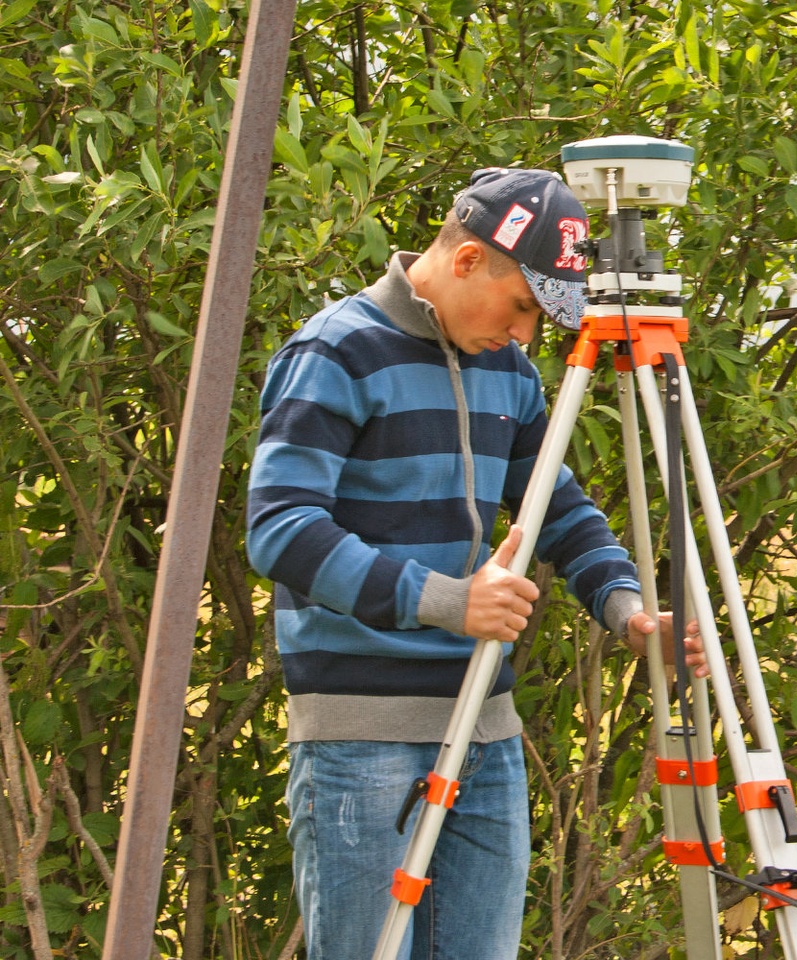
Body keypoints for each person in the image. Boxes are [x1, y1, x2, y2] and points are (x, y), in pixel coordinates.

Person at [246, 166, 707, 959]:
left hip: (484, 732)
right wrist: (447, 601)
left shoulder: (508, 373)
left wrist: (631, 616)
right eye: (522, 306)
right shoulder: (335, 351)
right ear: (466, 261)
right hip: (360, 740)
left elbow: (560, 514)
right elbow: (280, 530)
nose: (525, 333)